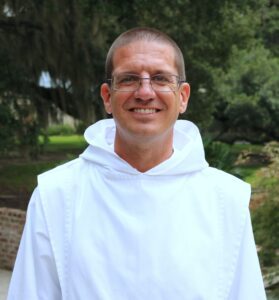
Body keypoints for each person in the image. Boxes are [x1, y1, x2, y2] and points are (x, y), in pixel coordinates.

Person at [8, 27, 266, 300]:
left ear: (183, 97)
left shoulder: (226, 199)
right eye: (129, 79)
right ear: (107, 96)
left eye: (160, 78)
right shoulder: (56, 195)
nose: (145, 92)